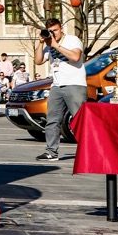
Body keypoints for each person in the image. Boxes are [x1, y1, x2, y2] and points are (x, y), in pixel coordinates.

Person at [34, 17, 85, 161]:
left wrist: (56, 45)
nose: (53, 33)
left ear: (61, 28)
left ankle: (87, 150)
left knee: (79, 119)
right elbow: (38, 61)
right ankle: (51, 152)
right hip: (56, 85)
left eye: (55, 30)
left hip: (74, 84)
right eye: (50, 31)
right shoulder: (48, 43)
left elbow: (75, 57)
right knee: (52, 120)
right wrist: (41, 43)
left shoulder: (72, 40)